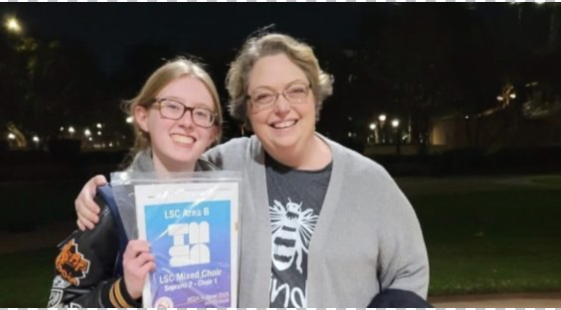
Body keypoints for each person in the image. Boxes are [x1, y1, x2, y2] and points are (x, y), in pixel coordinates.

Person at [74, 33, 429, 307]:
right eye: (263, 96)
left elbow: (409, 273)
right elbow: (169, 167)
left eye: (295, 91)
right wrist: (107, 192)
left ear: (315, 98)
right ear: (247, 110)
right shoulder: (225, 168)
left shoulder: (370, 183)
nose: (282, 108)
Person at [48, 58, 224, 308]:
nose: (187, 122)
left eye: (201, 113)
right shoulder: (111, 207)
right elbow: (60, 304)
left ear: (213, 133)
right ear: (142, 116)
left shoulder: (227, 205)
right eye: (172, 107)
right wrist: (123, 291)